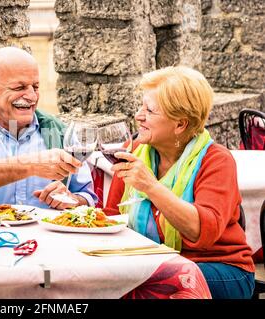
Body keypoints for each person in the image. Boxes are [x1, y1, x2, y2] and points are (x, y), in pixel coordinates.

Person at [104, 66, 255, 299]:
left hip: (219, 268)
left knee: (157, 282)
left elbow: (201, 232)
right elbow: (111, 217)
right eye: (141, 106)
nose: (138, 115)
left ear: (180, 124)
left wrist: (151, 187)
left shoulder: (216, 160)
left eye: (150, 110)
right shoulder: (133, 151)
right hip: (150, 264)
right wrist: (74, 206)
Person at [0, 46, 97, 209]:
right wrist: (31, 165)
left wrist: (71, 199)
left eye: (35, 87)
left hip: (47, 234)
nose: (32, 97)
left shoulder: (60, 131)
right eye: (18, 88)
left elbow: (87, 196)